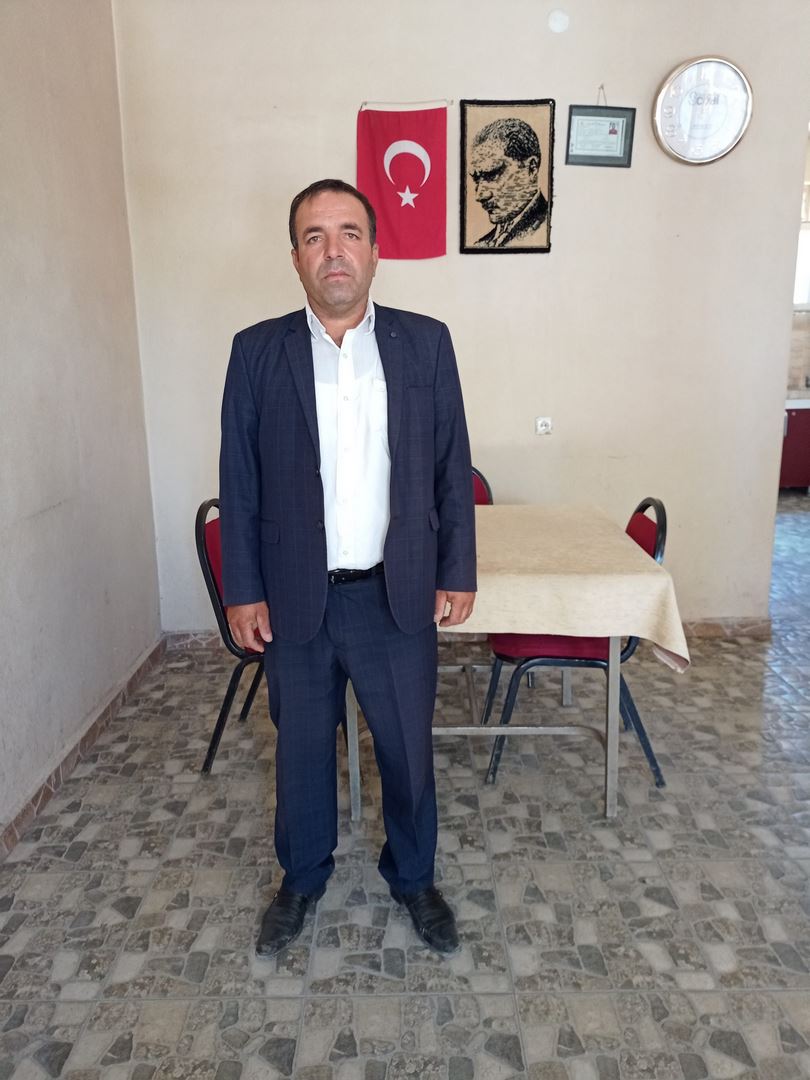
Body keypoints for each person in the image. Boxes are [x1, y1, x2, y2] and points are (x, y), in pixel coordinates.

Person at [219, 178, 477, 958]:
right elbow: (239, 480)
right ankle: (301, 879)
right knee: (301, 753)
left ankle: (414, 877)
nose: (333, 251)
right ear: (296, 256)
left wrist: (458, 569)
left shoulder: (424, 343)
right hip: (295, 599)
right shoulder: (256, 351)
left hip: (394, 595)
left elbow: (450, 466)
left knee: (406, 753)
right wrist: (242, 590)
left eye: (349, 234)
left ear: (374, 250)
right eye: (314, 236)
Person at [470, 117, 549, 247]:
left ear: (532, 168)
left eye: (492, 175)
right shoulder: (481, 244)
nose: (480, 196)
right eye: (476, 179)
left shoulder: (548, 229)